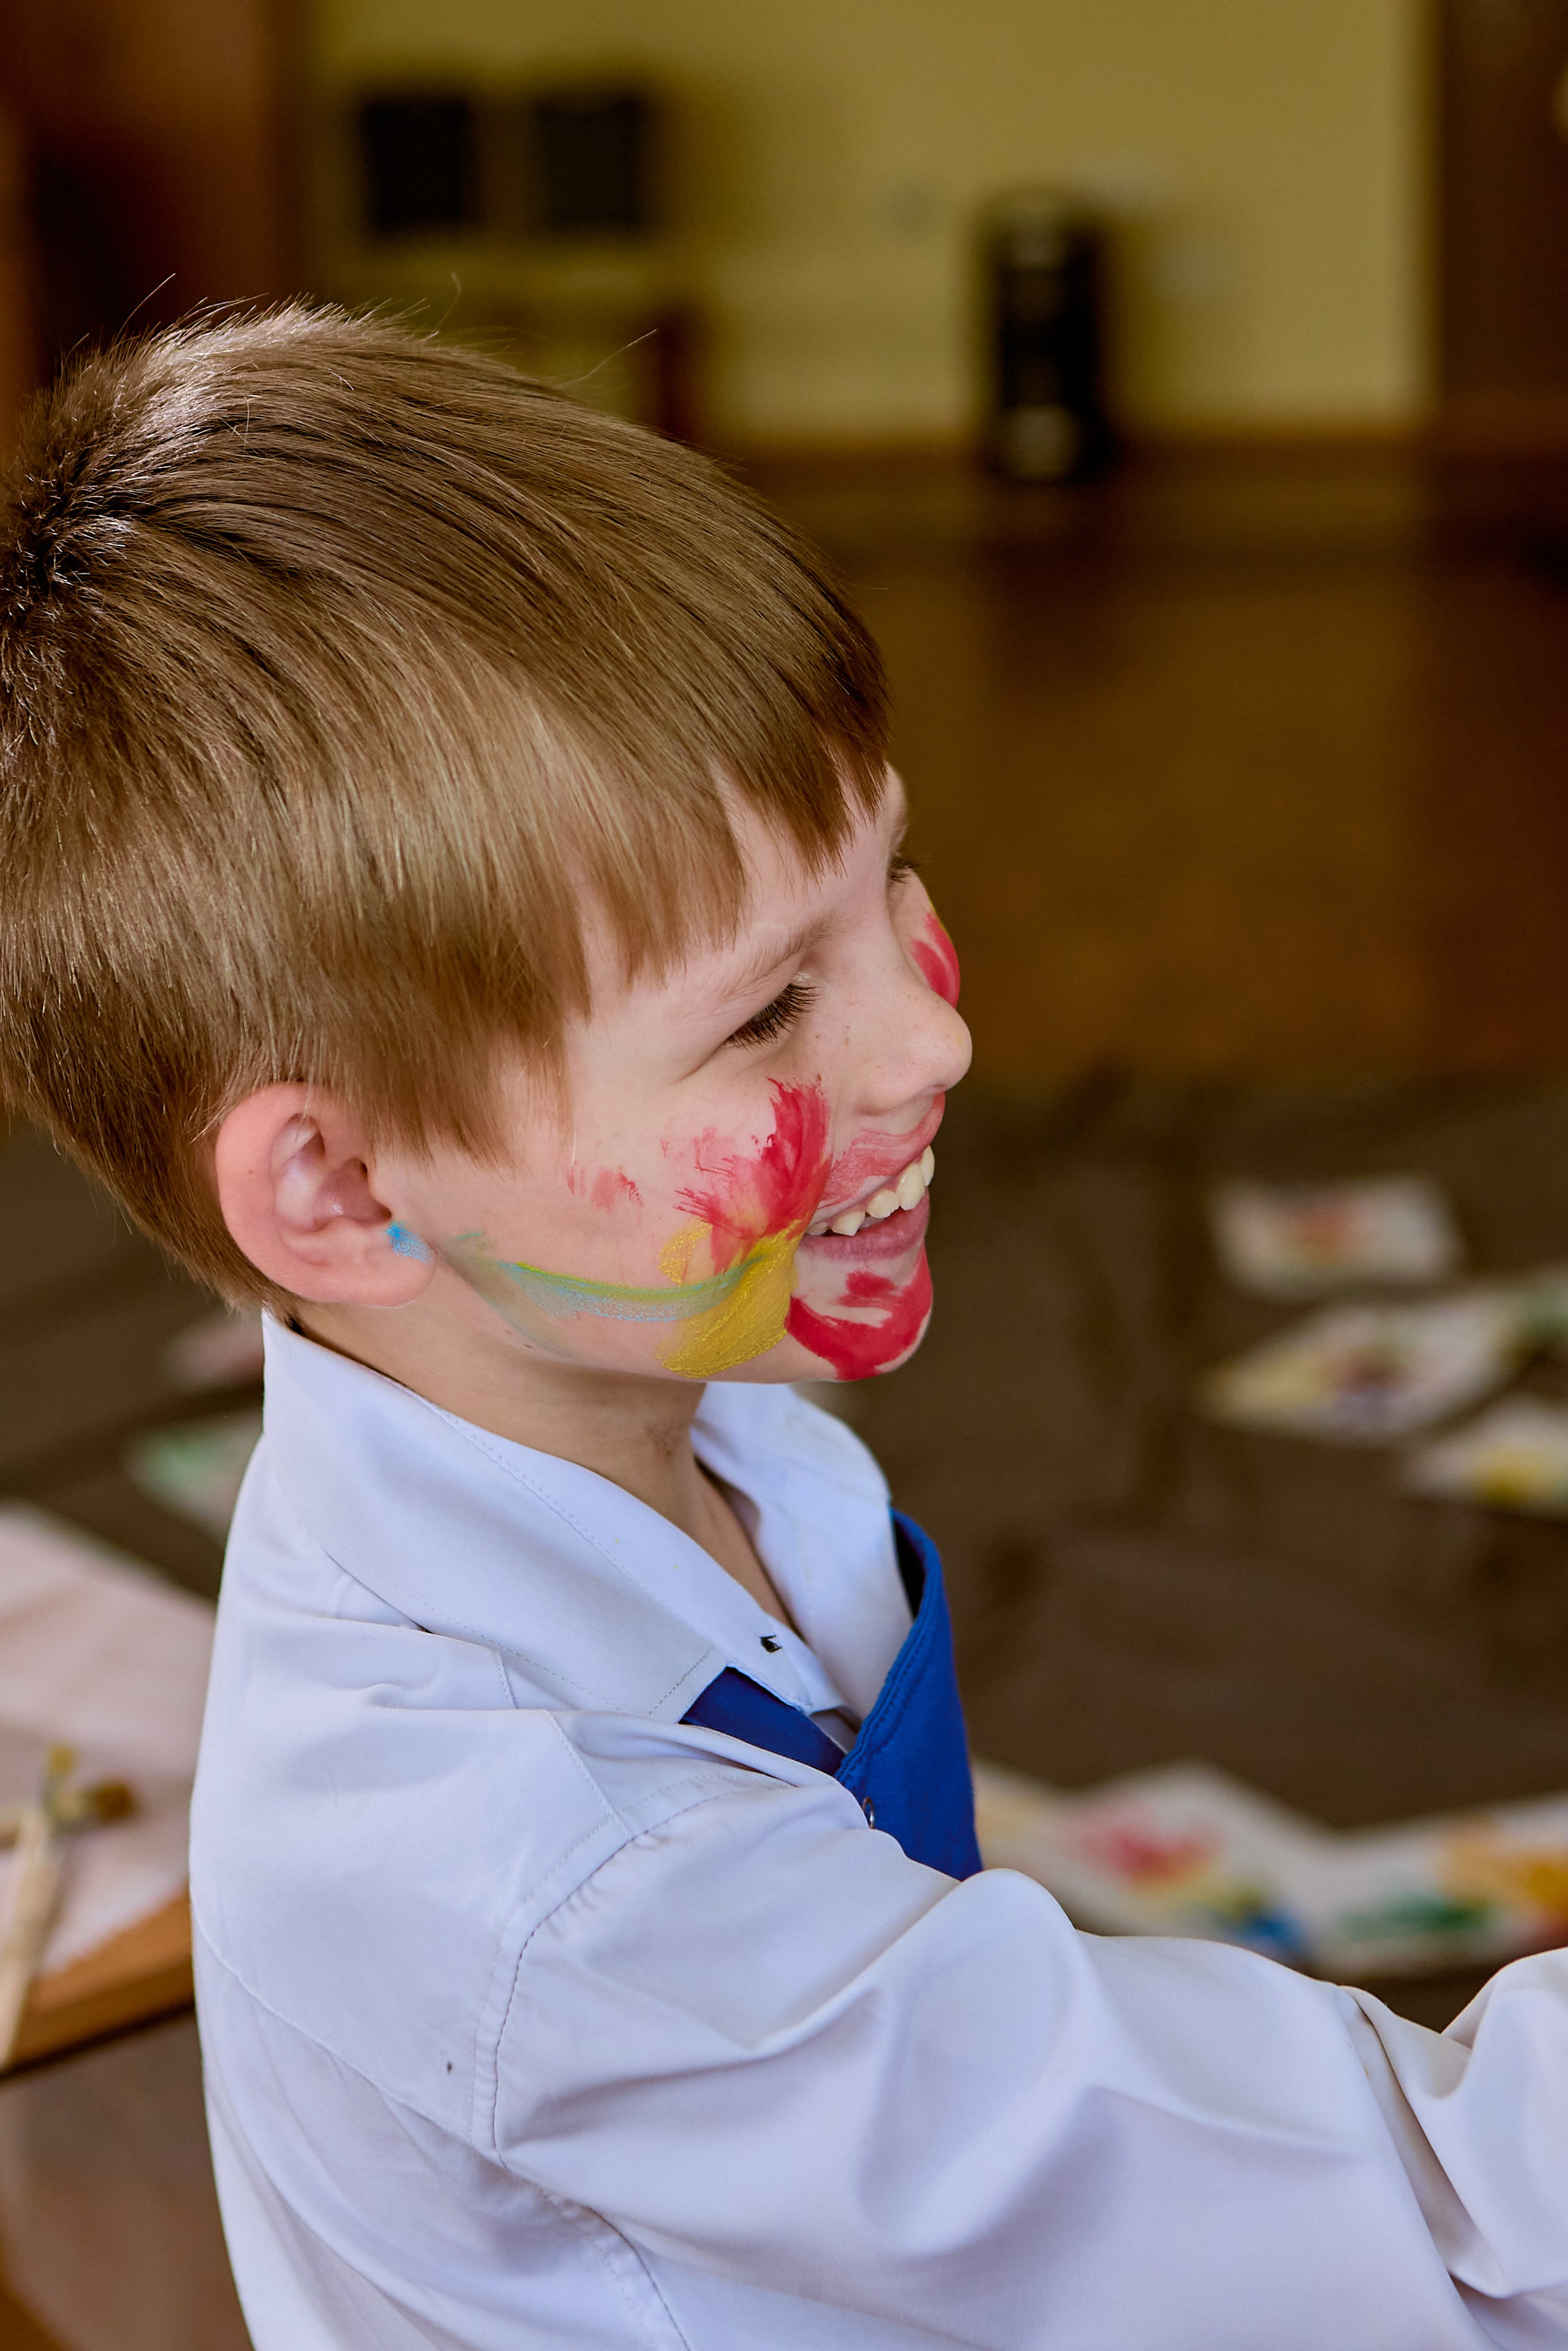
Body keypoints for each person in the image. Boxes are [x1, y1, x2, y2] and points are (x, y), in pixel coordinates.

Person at [0, 307, 1564, 2351]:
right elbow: (1448, 2231)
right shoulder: (557, 1890)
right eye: (763, 1011)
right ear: (345, 1193)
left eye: (886, 881)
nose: (938, 1033)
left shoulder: (720, 1431)